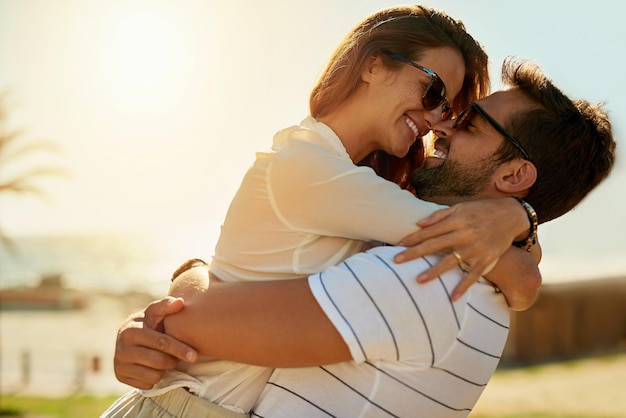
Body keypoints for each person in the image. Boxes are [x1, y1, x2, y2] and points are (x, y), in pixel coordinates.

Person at [106, 58, 615, 417]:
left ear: (513, 176)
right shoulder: (469, 272)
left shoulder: (424, 275)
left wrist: (178, 286)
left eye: (470, 124)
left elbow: (190, 326)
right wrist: (519, 223)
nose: (443, 129)